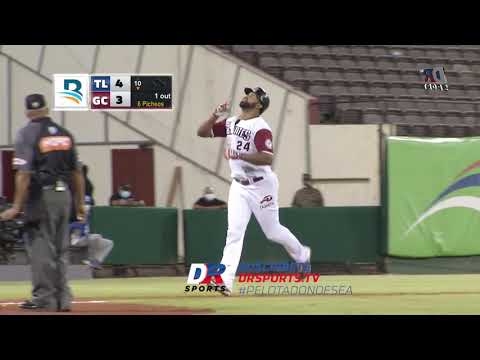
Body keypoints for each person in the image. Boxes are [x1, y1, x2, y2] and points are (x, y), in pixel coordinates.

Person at [197, 86, 311, 296]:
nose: (246, 95)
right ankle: (225, 280)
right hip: (239, 185)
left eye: (251, 95)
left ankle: (302, 254)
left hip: (261, 184)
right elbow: (202, 132)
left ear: (259, 104)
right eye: (247, 93)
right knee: (234, 233)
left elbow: (267, 157)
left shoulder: (261, 127)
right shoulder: (232, 122)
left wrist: (239, 154)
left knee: (273, 231)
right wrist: (215, 114)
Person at [0, 94, 85, 312]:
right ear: (47, 109)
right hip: (64, 194)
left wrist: (17, 206)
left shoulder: (27, 133)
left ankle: (45, 298)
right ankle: (63, 299)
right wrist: (80, 204)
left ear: (28, 112)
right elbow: (77, 172)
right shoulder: (66, 135)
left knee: (41, 247)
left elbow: (23, 173)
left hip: (42, 196)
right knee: (61, 249)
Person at [70, 196, 114, 270]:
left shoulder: (90, 215)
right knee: (95, 237)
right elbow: (70, 228)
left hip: (86, 239)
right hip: (75, 240)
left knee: (108, 243)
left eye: (88, 204)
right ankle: (90, 259)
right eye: (85, 204)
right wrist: (78, 224)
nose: (87, 206)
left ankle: (96, 261)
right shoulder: (74, 214)